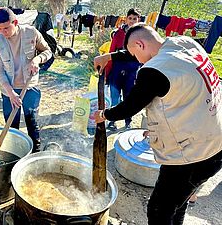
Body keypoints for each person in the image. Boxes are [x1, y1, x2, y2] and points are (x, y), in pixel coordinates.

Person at [93, 23, 222, 225]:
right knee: (178, 202)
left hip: (192, 155)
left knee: (158, 211)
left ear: (140, 44)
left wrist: (104, 114)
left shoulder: (154, 71)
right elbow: (179, 93)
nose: (135, 60)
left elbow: (129, 107)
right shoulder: (185, 43)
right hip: (215, 141)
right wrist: (109, 56)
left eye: (134, 55)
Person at [0, 8, 52, 152]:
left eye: (6, 28)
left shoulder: (31, 32)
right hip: (9, 91)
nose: (3, 32)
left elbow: (48, 51)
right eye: (0, 29)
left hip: (30, 87)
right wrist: (11, 93)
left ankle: (35, 155)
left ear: (16, 22)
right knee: (12, 127)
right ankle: (15, 154)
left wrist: (37, 59)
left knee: (32, 122)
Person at [106, 8, 141, 130]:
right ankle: (112, 121)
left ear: (138, 20)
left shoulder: (141, 34)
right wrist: (107, 73)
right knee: (114, 96)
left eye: (134, 18)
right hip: (117, 69)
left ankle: (128, 121)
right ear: (126, 19)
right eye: (130, 18)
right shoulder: (118, 33)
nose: (132, 21)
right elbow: (111, 52)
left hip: (132, 70)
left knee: (129, 97)